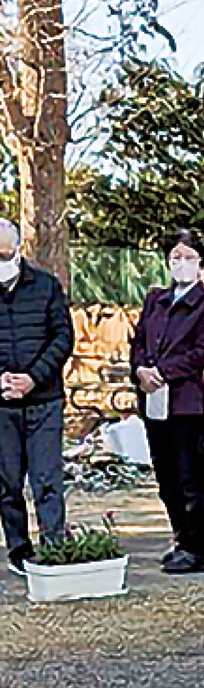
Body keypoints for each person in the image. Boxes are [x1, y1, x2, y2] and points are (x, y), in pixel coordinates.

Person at [130, 228, 204, 574]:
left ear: (200, 262)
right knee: (165, 476)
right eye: (175, 257)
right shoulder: (155, 299)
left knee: (189, 477)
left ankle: (198, 549)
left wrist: (163, 371)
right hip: (153, 399)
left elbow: (202, 352)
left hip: (185, 402)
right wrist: (141, 369)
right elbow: (138, 340)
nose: (181, 264)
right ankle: (180, 539)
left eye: (188, 257)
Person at [0, 219, 74, 575]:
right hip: (2, 405)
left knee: (47, 480)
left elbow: (62, 338)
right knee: (7, 483)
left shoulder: (45, 287)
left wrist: (32, 378)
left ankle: (55, 548)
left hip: (44, 401)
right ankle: (18, 550)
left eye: (4, 253)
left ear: (17, 250)